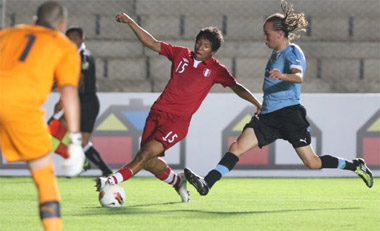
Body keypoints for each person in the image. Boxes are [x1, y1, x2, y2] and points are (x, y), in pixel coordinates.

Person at [184, 0, 374, 196]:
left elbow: (298, 76)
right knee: (237, 146)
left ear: (280, 34)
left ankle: (355, 165)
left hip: (289, 114)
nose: (265, 38)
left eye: (267, 34)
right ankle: (207, 183)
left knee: (312, 162)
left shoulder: (292, 51)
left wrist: (282, 76)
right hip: (267, 116)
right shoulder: (275, 54)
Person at [95, 12, 262, 203]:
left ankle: (111, 180)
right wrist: (130, 22)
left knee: (145, 154)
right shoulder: (180, 54)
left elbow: (237, 87)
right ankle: (177, 181)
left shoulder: (217, 70)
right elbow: (152, 43)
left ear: (213, 51)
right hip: (156, 113)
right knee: (148, 162)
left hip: (177, 122)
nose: (200, 47)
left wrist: (257, 103)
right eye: (199, 42)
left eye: (206, 46)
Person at [0, 1, 85, 230]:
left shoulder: (8, 33)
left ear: (35, 21)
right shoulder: (64, 46)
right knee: (44, 175)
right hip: (19, 109)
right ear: (62, 25)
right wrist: (75, 140)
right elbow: (68, 91)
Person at [54, 27, 113, 176]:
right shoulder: (69, 56)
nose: (72, 40)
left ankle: (103, 169)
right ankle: (82, 163)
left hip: (87, 102)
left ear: (82, 39)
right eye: (69, 37)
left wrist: (63, 100)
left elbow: (78, 79)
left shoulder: (84, 56)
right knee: (62, 128)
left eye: (75, 37)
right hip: (78, 101)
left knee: (82, 141)